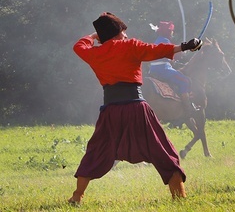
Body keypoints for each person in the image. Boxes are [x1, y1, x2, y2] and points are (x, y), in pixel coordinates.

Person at [69, 12, 202, 204]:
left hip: (110, 110)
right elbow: (156, 50)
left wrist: (93, 36)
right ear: (118, 32)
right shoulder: (130, 46)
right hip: (135, 107)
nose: (126, 35)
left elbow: (79, 46)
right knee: (163, 151)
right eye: (123, 32)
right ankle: (179, 197)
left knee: (96, 152)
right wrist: (185, 46)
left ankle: (77, 196)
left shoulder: (95, 53)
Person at [148, 21, 198, 113]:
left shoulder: (158, 40)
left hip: (153, 69)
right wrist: (182, 53)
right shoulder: (165, 41)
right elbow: (174, 54)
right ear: (167, 32)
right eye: (171, 31)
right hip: (163, 69)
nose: (172, 32)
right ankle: (188, 108)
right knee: (185, 81)